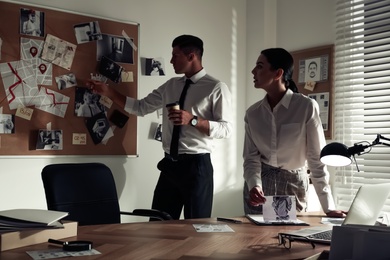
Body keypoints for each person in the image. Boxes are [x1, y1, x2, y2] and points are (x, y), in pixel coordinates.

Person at [87, 34, 233, 220]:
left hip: (197, 167)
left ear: (191, 57)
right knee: (158, 223)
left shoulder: (216, 88)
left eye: (175, 55)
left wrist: (193, 120)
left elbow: (226, 129)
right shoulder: (171, 85)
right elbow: (140, 107)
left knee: (197, 226)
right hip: (170, 165)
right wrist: (109, 92)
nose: (171, 61)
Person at [243, 48, 346, 218]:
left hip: (293, 185)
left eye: (260, 66)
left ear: (278, 73)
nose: (253, 71)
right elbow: (251, 158)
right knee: (254, 239)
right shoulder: (252, 114)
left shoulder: (306, 107)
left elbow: (316, 160)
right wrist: (254, 185)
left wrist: (329, 207)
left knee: (290, 239)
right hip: (260, 187)